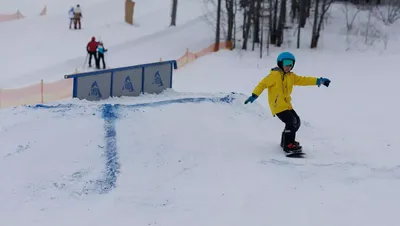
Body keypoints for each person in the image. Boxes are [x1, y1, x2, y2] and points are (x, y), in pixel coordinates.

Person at [244, 52, 331, 153]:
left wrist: (319, 81)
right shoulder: (274, 75)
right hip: (277, 106)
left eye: (290, 65)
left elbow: (304, 80)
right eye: (286, 64)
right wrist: (254, 95)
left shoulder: (291, 76)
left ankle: (285, 141)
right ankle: (288, 145)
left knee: (296, 121)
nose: (288, 67)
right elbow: (262, 84)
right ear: (280, 63)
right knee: (291, 122)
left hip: (286, 105)